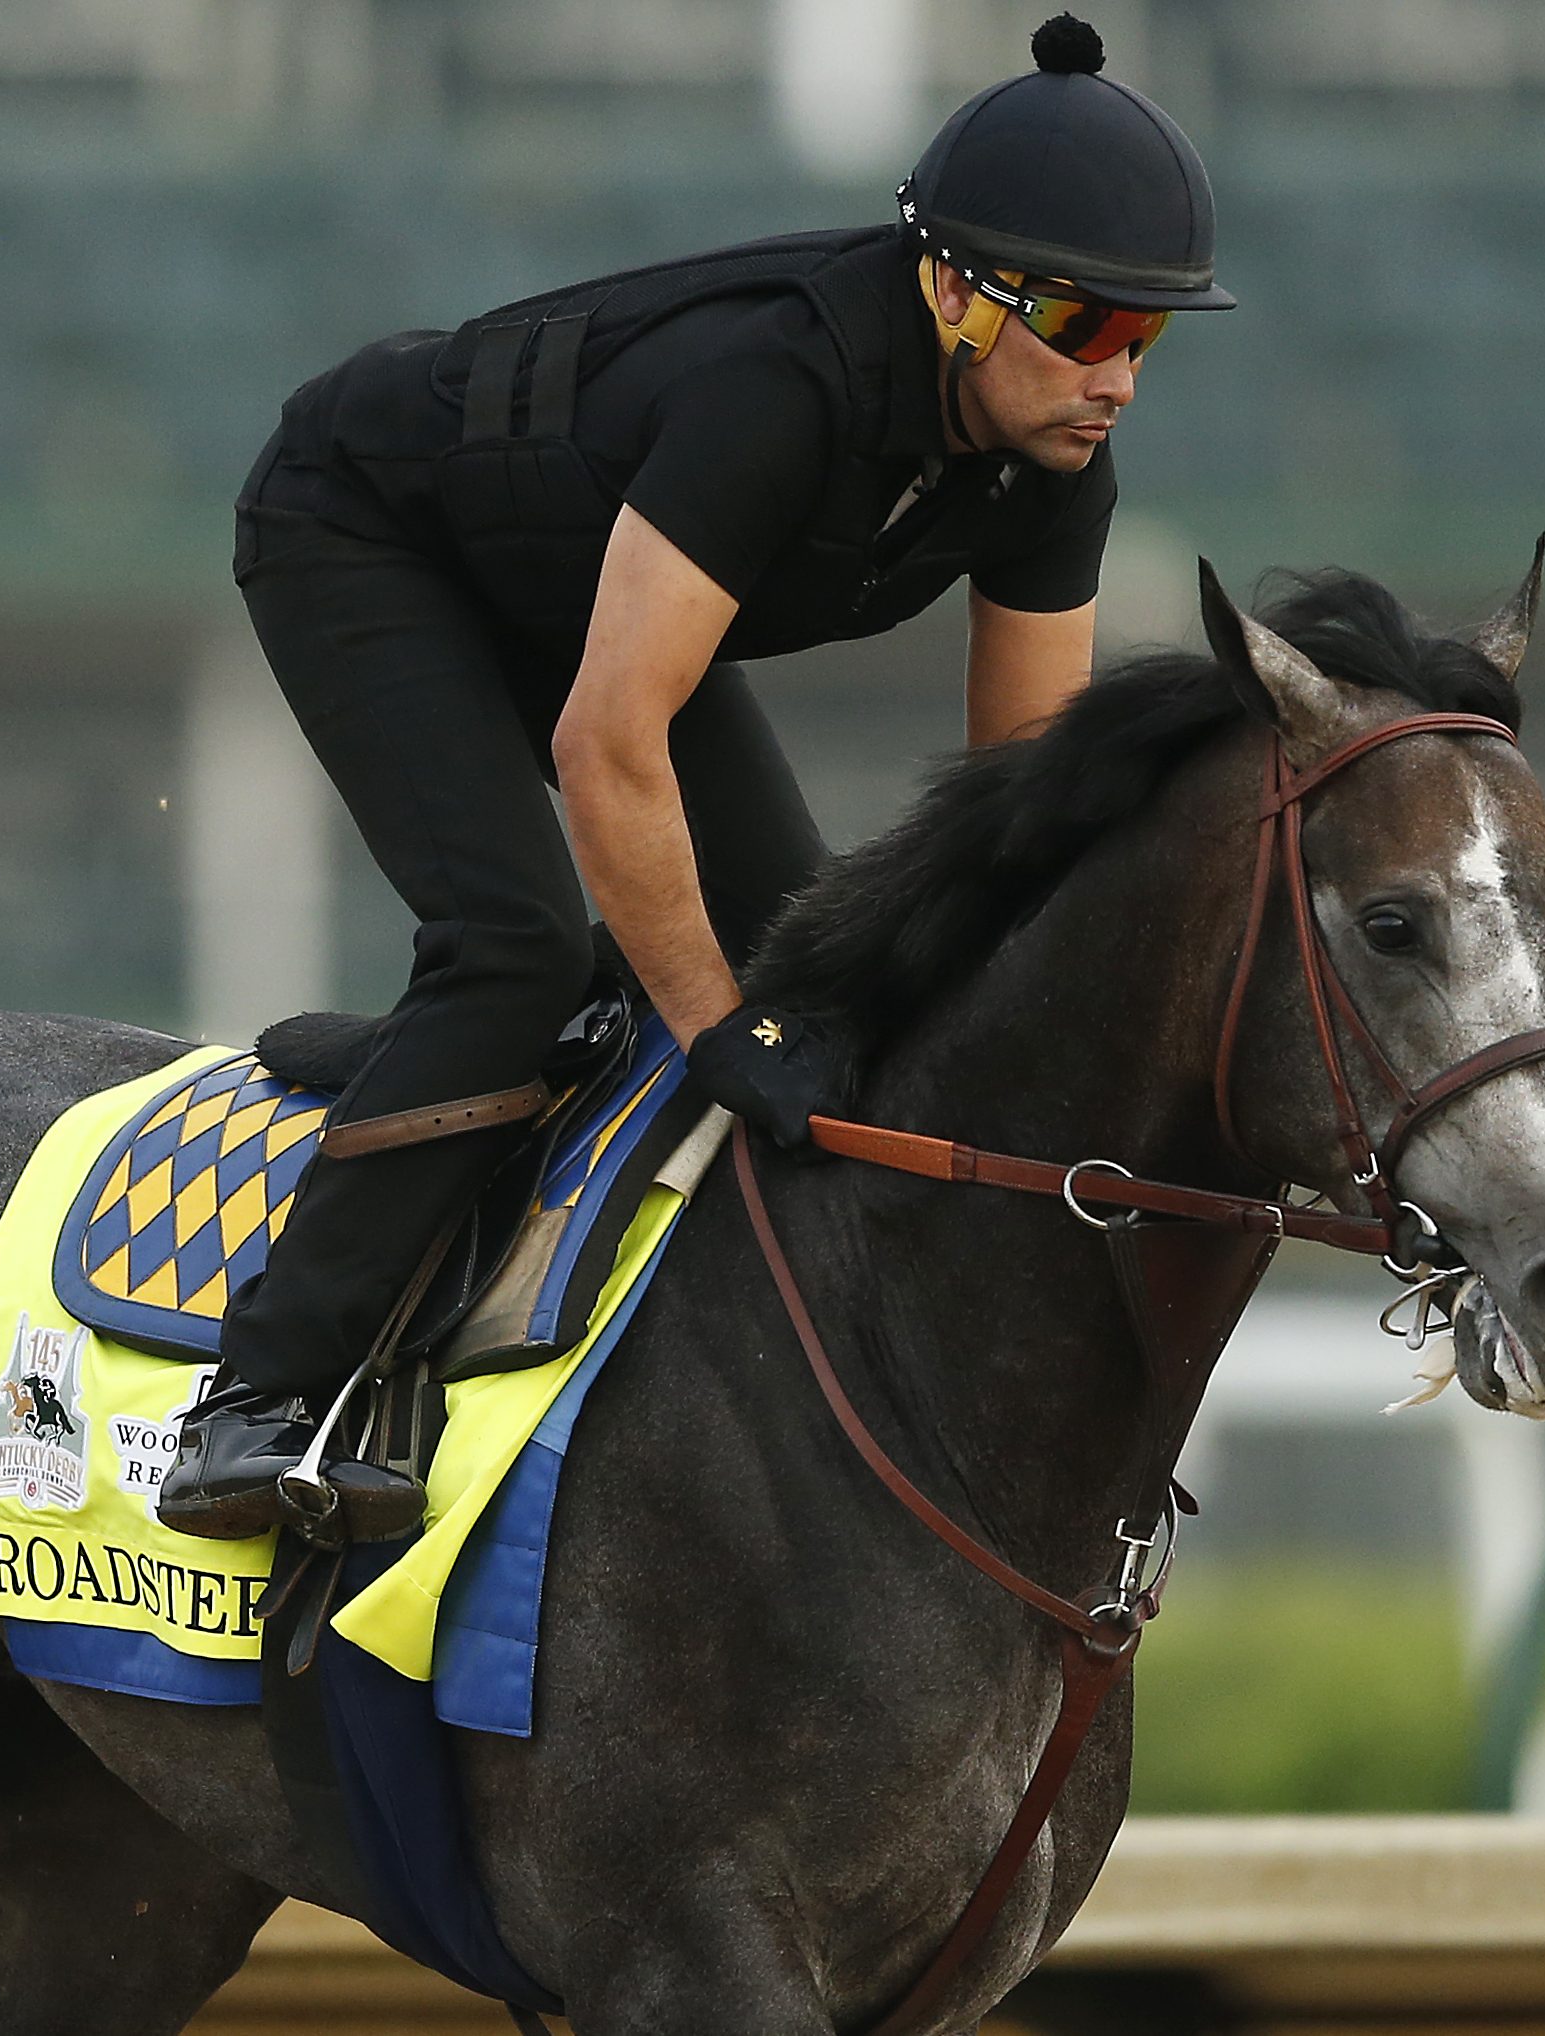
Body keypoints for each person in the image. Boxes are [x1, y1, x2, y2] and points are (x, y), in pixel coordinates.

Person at [158, 13, 1236, 1538]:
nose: (1116, 377)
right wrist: (712, 1023)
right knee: (519, 945)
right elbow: (611, 742)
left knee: (819, 959)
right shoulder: (780, 388)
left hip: (566, 580)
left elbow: (1023, 806)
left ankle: (513, 1073)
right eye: (1084, 324)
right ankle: (256, 1398)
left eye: (1151, 335)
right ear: (952, 288)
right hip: (373, 534)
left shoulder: (1053, 456)